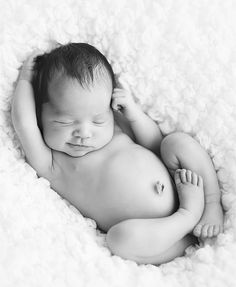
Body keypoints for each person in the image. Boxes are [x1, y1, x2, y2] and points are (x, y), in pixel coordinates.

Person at [11, 43, 224, 265]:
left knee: (176, 143)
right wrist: (26, 80)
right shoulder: (51, 164)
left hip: (179, 179)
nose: (84, 133)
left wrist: (134, 115)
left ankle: (211, 202)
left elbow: (154, 144)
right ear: (40, 114)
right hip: (151, 235)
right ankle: (188, 218)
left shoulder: (115, 129)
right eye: (65, 122)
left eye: (97, 120)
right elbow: (23, 123)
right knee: (119, 240)